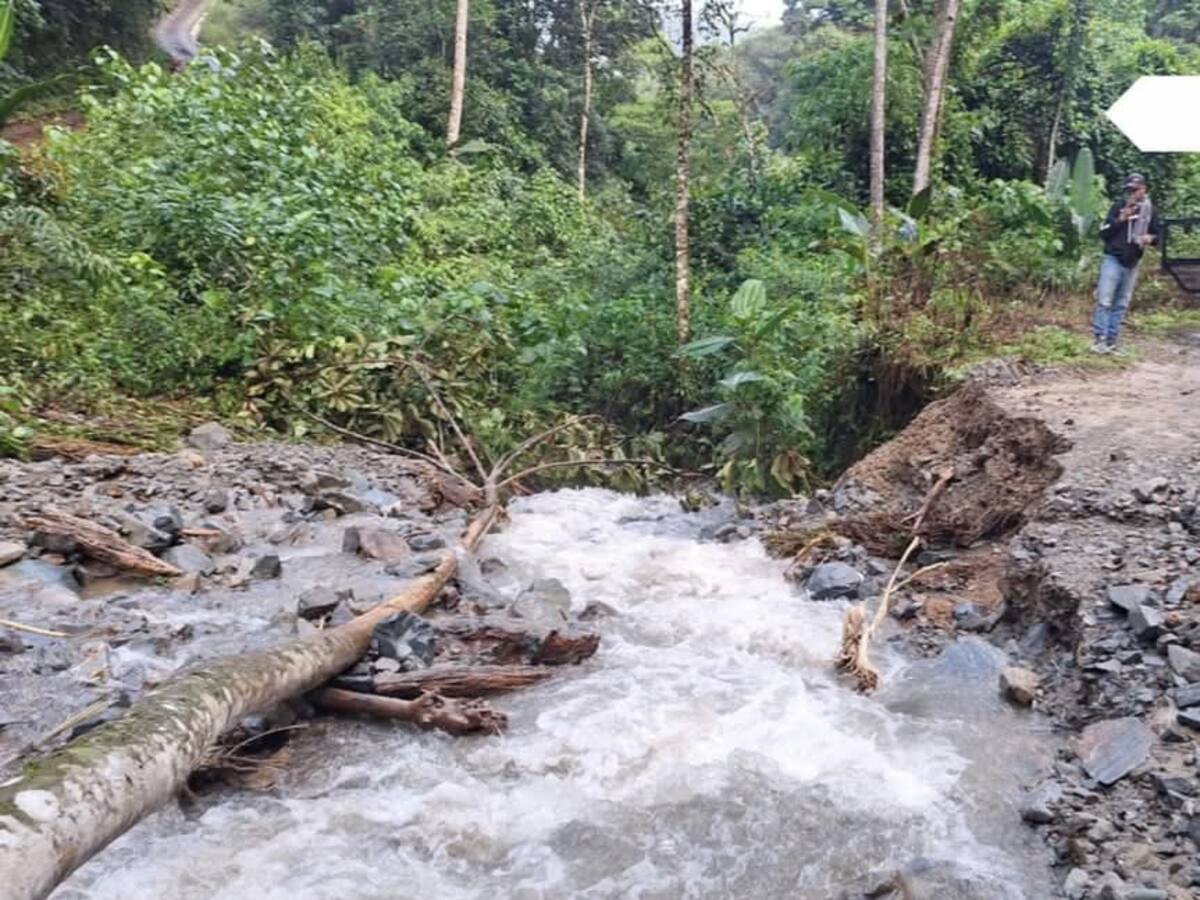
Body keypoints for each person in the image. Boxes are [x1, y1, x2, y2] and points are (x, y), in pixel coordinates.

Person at [1092, 173, 1161, 354]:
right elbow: (1103, 232)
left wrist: (1149, 238)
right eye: (1129, 190)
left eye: (1135, 189)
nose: (1132, 193)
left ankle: (1113, 341)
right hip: (1113, 258)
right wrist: (1121, 219)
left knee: (1121, 303)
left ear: (1144, 189)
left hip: (1133, 260)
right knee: (1105, 300)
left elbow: (1158, 236)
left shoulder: (1150, 211)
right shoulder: (1118, 207)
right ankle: (1100, 340)